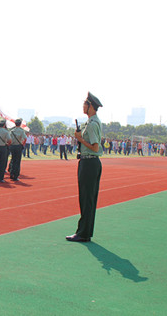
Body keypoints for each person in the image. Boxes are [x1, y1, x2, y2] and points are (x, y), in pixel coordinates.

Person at [66, 92, 103, 242]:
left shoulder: (93, 124)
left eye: (85, 104)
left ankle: (83, 233)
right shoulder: (91, 122)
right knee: (87, 198)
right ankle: (85, 232)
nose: (83, 106)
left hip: (89, 162)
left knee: (86, 198)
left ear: (91, 106)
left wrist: (80, 139)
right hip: (89, 162)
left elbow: (95, 147)